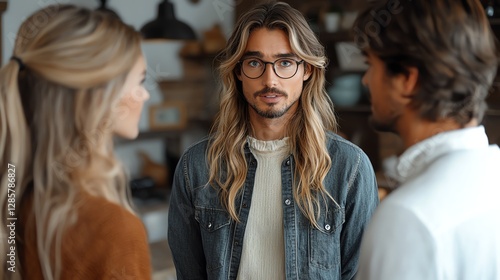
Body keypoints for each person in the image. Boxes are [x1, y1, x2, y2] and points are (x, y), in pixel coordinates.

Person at [167, 2, 379, 279]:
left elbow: (362, 274)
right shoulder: (195, 167)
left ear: (307, 71)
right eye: (255, 62)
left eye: (285, 63)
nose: (270, 79)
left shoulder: (350, 168)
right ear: (238, 72)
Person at [0, 5, 151, 280]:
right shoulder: (113, 230)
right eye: (140, 81)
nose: (145, 95)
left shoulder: (14, 201)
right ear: (98, 97)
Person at [354, 0, 500, 279]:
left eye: (370, 64)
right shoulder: (494, 175)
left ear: (407, 79)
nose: (365, 80)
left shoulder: (407, 219)